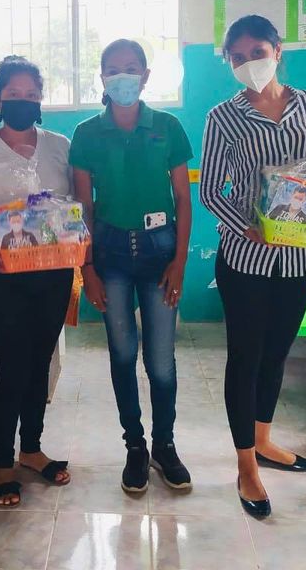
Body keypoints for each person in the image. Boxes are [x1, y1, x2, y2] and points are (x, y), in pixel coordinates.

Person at [200, 15, 306, 518]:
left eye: (256, 52)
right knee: (246, 357)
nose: (248, 63)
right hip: (247, 258)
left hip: (301, 255)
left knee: (276, 355)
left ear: (278, 51)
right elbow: (211, 190)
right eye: (237, 57)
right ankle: (246, 466)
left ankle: (263, 441)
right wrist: (248, 227)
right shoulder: (223, 117)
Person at [71, 39, 193, 494]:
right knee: (122, 354)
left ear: (145, 76)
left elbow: (182, 199)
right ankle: (135, 446)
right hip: (110, 254)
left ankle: (164, 445)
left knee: (160, 362)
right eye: (113, 69)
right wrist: (87, 270)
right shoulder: (87, 133)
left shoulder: (167, 126)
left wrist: (180, 262)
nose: (123, 76)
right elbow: (82, 207)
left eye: (131, 68)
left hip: (161, 252)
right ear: (102, 78)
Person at [0, 56, 74, 507]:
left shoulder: (60, 146)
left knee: (40, 364)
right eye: (13, 94)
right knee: (11, 369)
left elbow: (74, 205)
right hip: (3, 277)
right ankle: (3, 461)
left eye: (31, 94)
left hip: (53, 274)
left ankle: (32, 449)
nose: (23, 101)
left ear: (41, 99)